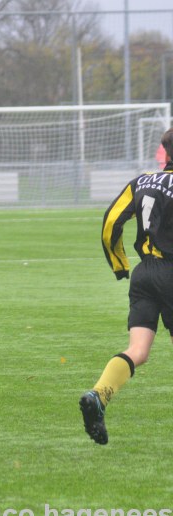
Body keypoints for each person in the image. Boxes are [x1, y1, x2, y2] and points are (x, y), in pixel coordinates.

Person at [80, 127, 173, 445]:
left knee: (138, 350)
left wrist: (120, 264)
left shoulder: (142, 181)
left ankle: (99, 395)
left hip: (144, 274)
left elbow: (110, 222)